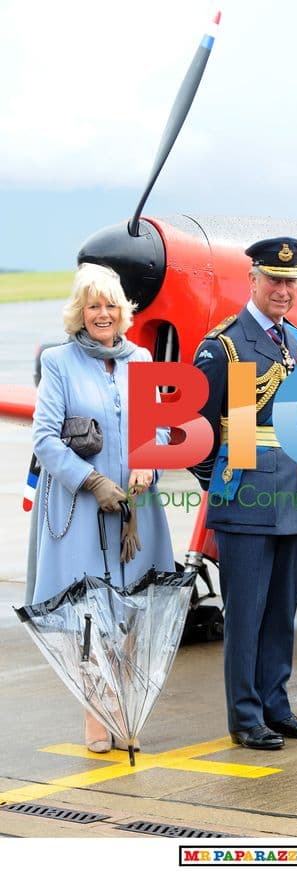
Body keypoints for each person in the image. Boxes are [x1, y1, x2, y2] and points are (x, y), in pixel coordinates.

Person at [31, 262, 175, 752]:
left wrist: (148, 462)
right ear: (80, 311)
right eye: (93, 305)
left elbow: (161, 429)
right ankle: (96, 709)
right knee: (89, 612)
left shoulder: (142, 359)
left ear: (122, 311)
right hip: (82, 509)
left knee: (134, 607)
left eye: (111, 305)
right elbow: (45, 439)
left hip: (137, 509)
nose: (103, 314)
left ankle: (124, 705)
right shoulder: (59, 361)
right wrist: (92, 481)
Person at [191, 237, 297, 750]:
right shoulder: (224, 345)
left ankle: (276, 706)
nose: (283, 290)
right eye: (274, 279)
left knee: (281, 614)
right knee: (246, 616)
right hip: (246, 500)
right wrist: (225, 487)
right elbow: (197, 435)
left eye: (292, 281)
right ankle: (246, 717)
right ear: (252, 280)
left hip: (295, 494)